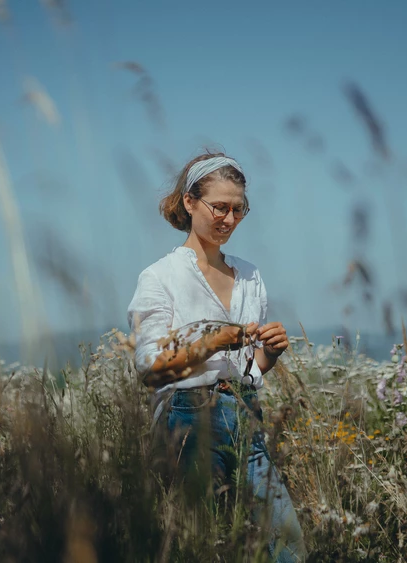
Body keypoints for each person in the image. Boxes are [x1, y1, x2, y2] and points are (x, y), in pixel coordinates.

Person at [127, 151, 307, 562]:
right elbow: (149, 368)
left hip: (245, 412)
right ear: (190, 202)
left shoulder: (249, 275)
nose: (228, 219)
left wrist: (269, 354)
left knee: (287, 541)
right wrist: (213, 340)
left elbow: (249, 370)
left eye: (238, 210)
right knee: (202, 541)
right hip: (189, 417)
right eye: (219, 208)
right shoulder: (160, 277)